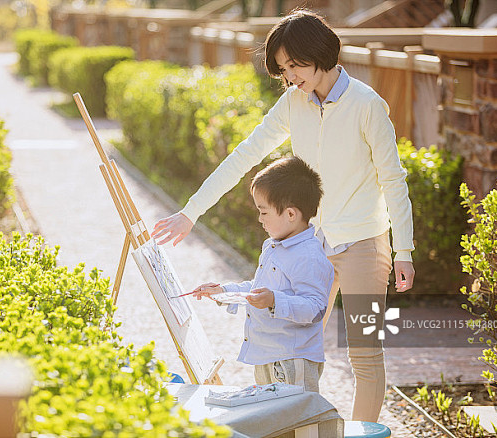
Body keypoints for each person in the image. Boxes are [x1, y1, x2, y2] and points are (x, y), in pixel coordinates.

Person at [151, 8, 415, 422]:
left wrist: (405, 251)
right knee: (296, 349)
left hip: (365, 244)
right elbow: (245, 156)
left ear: (320, 53)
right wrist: (191, 213)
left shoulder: (367, 105)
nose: (290, 76)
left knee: (365, 352)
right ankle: (305, 428)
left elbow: (394, 180)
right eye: (282, 68)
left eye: (295, 64)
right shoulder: (293, 104)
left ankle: (363, 432)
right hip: (311, 247)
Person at [192, 156, 333, 393]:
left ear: (291, 214)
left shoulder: (308, 255)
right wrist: (224, 291)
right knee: (273, 424)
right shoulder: (273, 245)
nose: (259, 219)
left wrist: (274, 300)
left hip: (292, 360)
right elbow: (260, 288)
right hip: (267, 356)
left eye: (264, 212)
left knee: (295, 425)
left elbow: (316, 307)